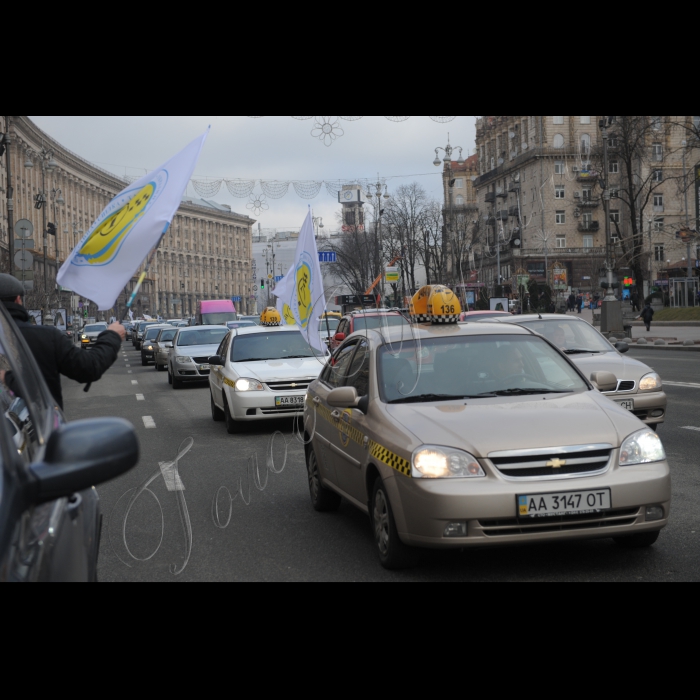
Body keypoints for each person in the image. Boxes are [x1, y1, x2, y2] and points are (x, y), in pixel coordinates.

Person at [0, 274, 125, 410]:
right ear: (18, 300)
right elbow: (89, 367)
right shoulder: (44, 337)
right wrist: (112, 335)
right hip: (39, 428)